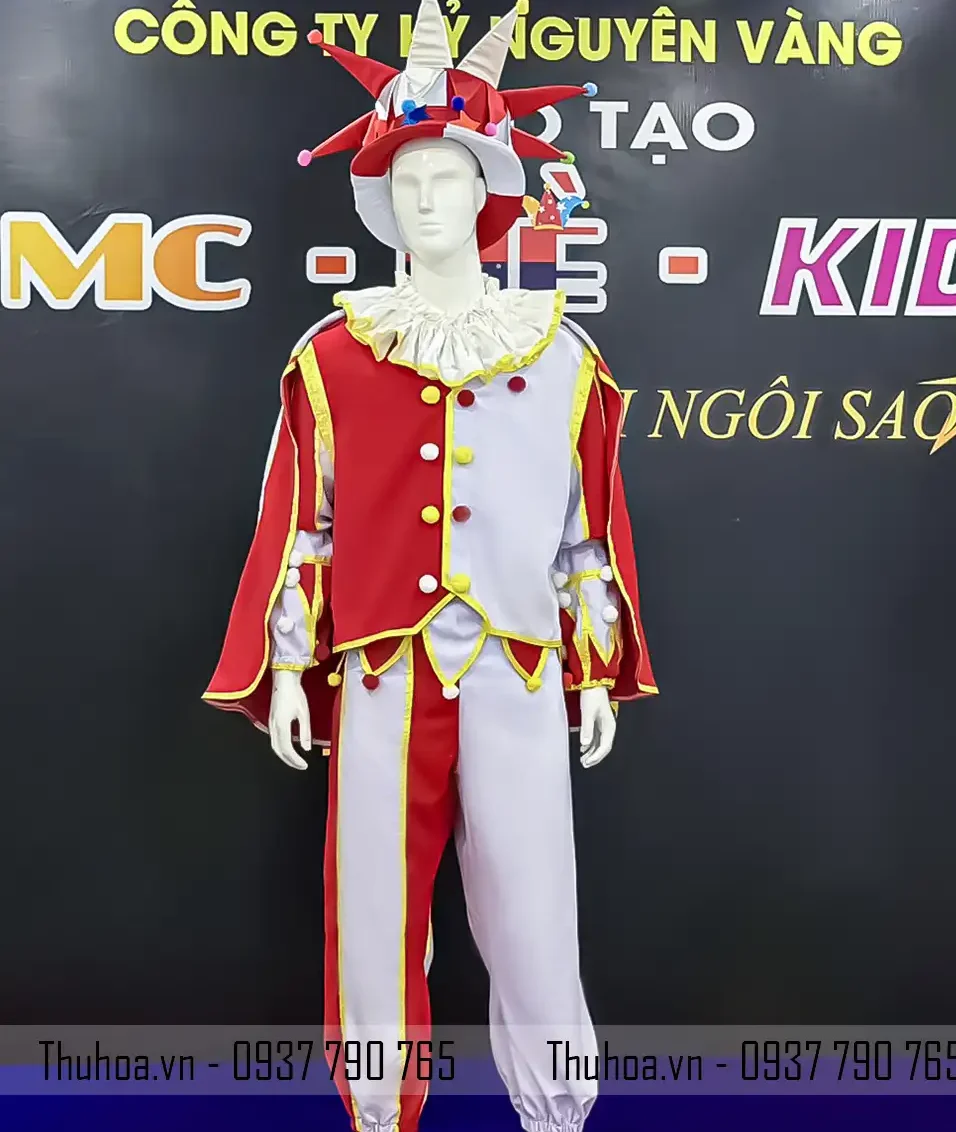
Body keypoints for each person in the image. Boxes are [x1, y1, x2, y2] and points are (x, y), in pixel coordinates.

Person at [204, 3, 656, 1129]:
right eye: (405, 178)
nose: (424, 196)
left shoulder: (563, 356)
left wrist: (597, 669)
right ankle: (378, 1111)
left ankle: (555, 1109)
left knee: (536, 912)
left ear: (490, 189)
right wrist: (289, 667)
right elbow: (301, 524)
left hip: (517, 665)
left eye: (446, 175)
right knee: (372, 913)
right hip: (381, 669)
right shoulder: (331, 356)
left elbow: (584, 532)